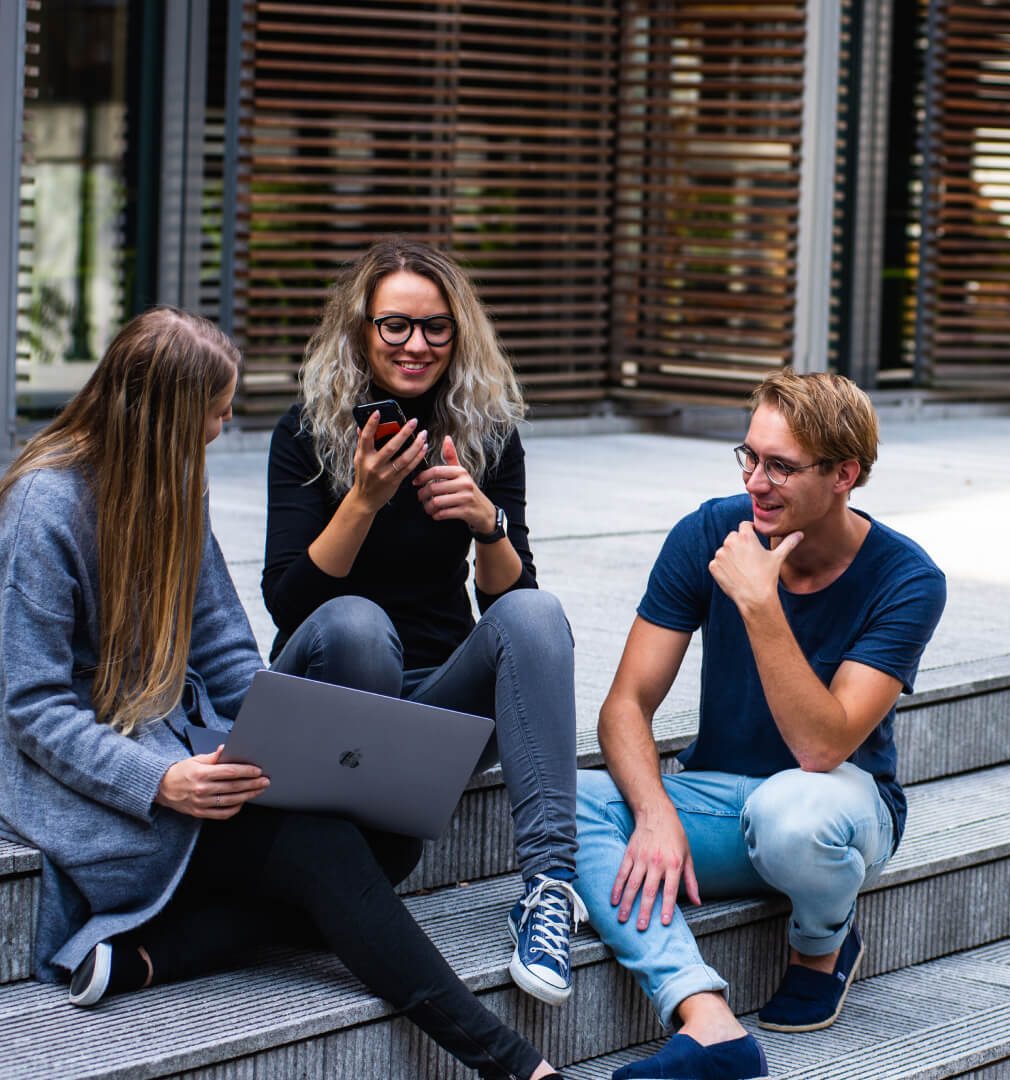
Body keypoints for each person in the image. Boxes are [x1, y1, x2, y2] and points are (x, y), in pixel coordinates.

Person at [0, 307, 568, 1080]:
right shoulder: (43, 506)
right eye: (216, 406)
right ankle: (513, 1064)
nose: (225, 422)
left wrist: (278, 739)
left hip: (186, 750)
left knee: (387, 840)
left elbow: (228, 651)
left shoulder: (171, 486)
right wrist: (159, 780)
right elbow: (31, 707)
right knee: (326, 849)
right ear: (166, 412)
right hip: (100, 782)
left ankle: (157, 953)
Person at [574, 370, 947, 1080]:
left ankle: (822, 941)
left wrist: (760, 603)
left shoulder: (907, 579)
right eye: (749, 457)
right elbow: (625, 705)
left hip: (837, 807)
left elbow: (823, 745)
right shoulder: (709, 531)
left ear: (845, 474)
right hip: (718, 799)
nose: (756, 481)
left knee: (792, 812)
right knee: (567, 798)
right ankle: (704, 1018)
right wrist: (653, 812)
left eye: (780, 466)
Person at [261, 237, 584, 1007]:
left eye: (436, 327)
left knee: (537, 614)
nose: (416, 345)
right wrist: (363, 499)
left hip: (435, 708)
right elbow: (289, 604)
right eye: (395, 326)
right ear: (361, 330)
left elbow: (513, 611)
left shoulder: (487, 433)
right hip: (332, 692)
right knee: (357, 625)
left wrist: (487, 523)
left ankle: (548, 891)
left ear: (459, 332)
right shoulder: (305, 434)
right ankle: (347, 861)